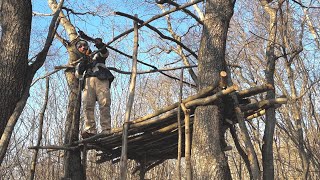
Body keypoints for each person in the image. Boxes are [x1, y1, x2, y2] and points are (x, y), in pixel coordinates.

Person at [75, 38, 113, 139]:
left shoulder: (96, 54)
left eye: (84, 45)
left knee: (104, 103)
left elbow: (104, 53)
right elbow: (78, 75)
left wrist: (100, 45)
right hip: (88, 82)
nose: (83, 47)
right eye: (80, 46)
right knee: (87, 105)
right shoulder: (79, 62)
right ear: (78, 50)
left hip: (101, 78)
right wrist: (83, 62)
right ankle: (90, 130)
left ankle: (106, 129)